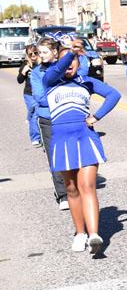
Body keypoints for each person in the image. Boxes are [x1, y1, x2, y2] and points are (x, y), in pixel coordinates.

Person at [43, 43, 121, 254]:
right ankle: (80, 233)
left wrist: (96, 116)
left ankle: (94, 234)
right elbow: (58, 69)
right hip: (61, 139)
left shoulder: (87, 82)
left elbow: (114, 95)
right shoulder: (49, 80)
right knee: (71, 189)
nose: (68, 64)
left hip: (85, 137)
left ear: (79, 63)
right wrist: (71, 53)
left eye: (73, 60)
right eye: (64, 60)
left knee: (87, 185)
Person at [31, 37, 70, 210]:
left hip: (67, 118)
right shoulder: (36, 72)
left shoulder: (65, 68)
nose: (41, 55)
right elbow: (40, 98)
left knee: (70, 154)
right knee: (55, 157)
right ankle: (62, 194)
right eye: (39, 52)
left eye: (45, 52)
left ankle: (74, 188)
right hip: (47, 119)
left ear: (55, 52)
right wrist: (62, 96)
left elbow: (82, 71)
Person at [17, 45, 42, 147]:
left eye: (35, 53)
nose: (33, 56)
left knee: (35, 114)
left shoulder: (42, 64)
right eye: (30, 54)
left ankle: (29, 116)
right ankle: (35, 138)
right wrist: (23, 72)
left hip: (41, 93)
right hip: (29, 94)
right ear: (27, 55)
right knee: (35, 114)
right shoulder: (25, 65)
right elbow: (19, 81)